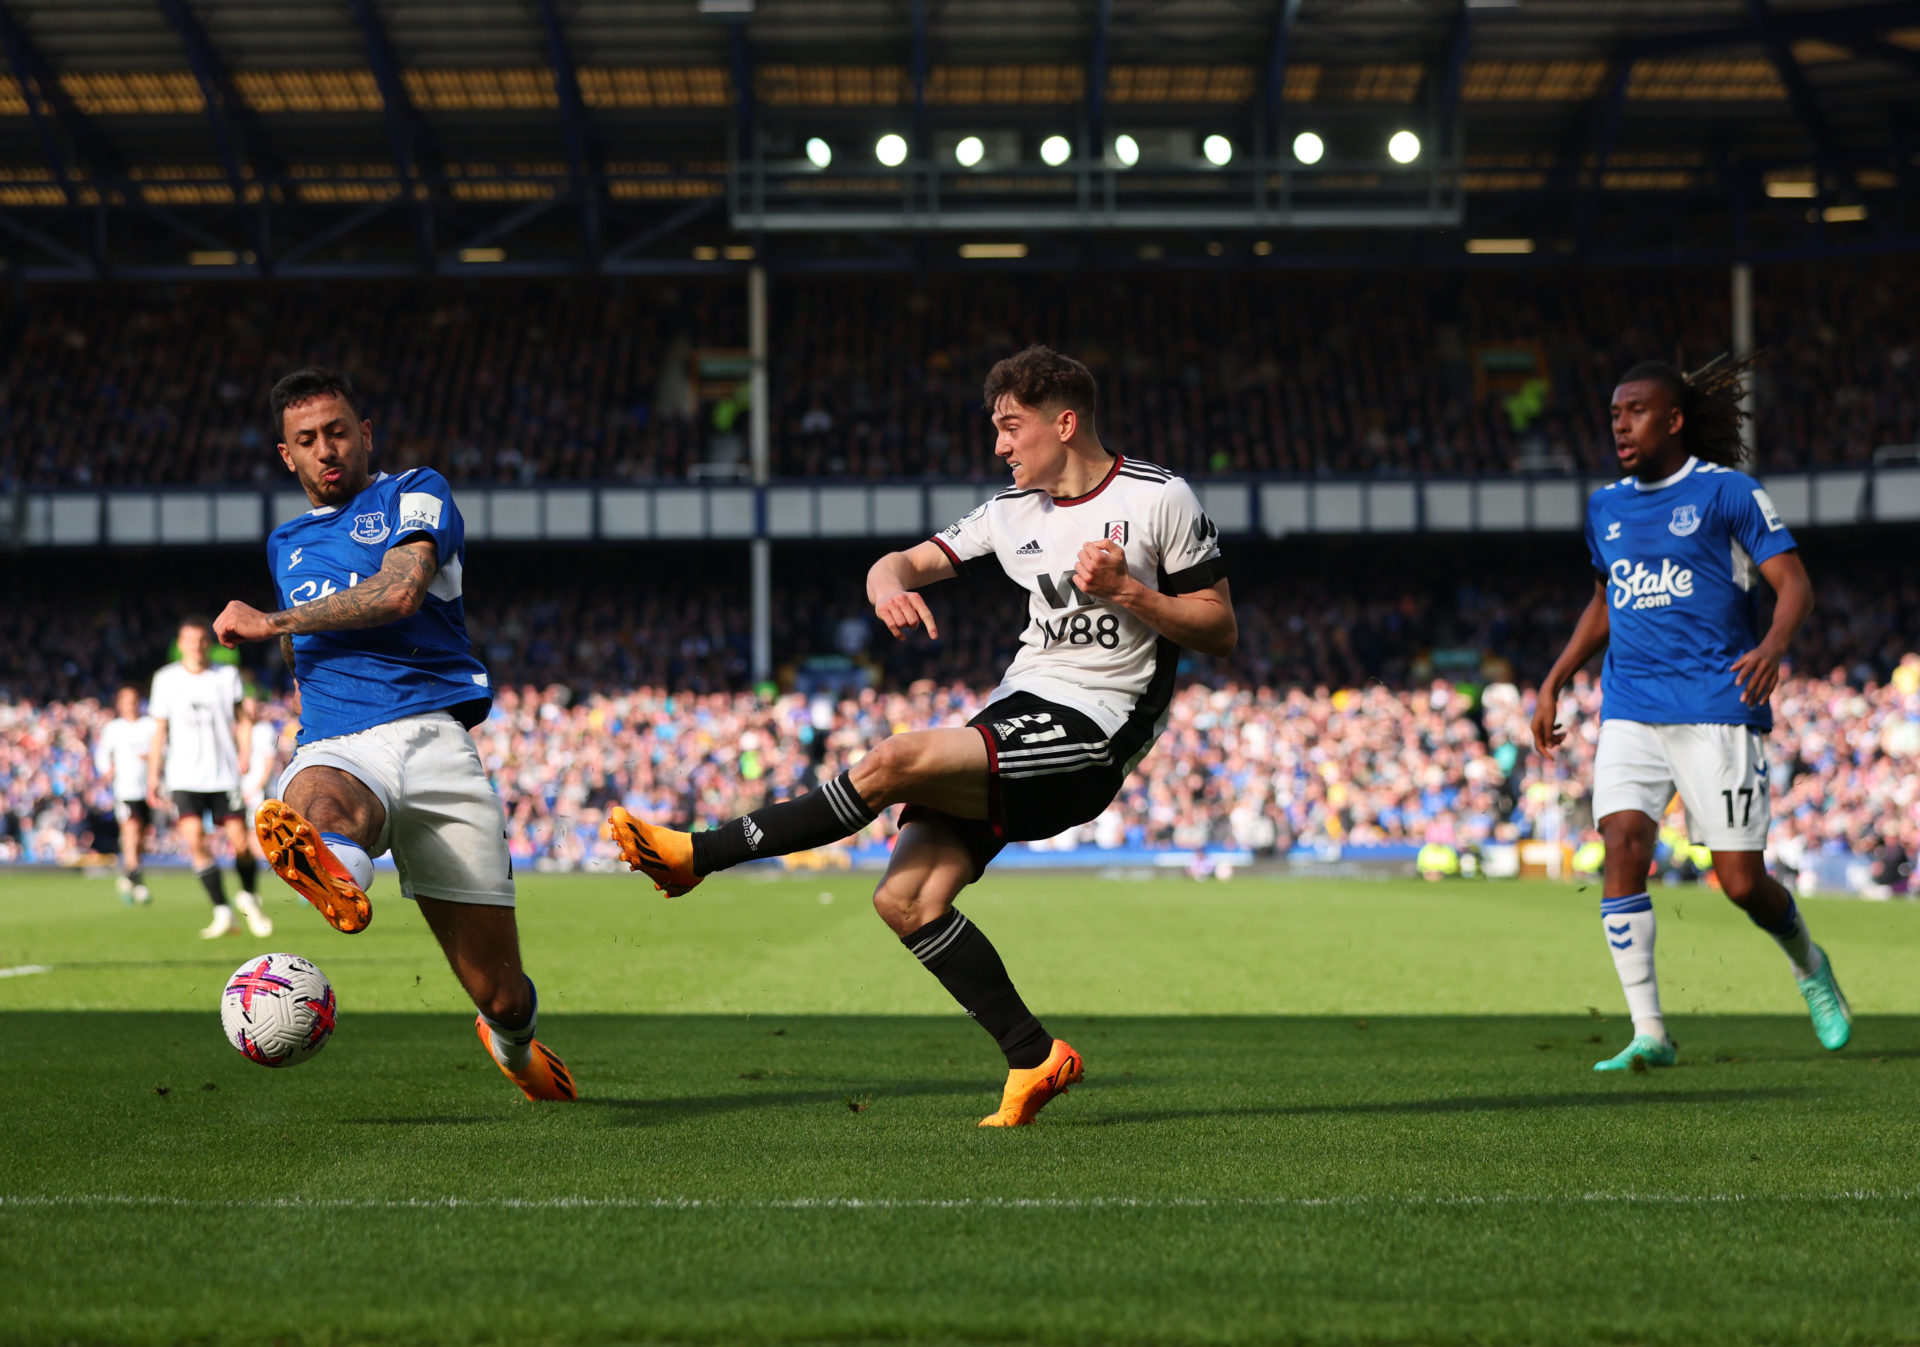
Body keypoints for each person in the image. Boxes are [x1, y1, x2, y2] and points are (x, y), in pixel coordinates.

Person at [605, 345, 1235, 1125]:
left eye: (1011, 427)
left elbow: (1219, 627)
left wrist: (1129, 590)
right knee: (905, 898)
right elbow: (900, 561)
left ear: (1064, 423)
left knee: (895, 757)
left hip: (1095, 729)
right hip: (1017, 710)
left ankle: (698, 856)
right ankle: (1035, 1055)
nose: (999, 446)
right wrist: (888, 586)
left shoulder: (1159, 497)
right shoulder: (1010, 512)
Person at [211, 367, 573, 1102]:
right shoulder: (286, 544)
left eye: (338, 431)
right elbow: (298, 662)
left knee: (501, 995)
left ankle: (513, 1044)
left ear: (365, 432)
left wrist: (272, 621)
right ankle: (333, 859)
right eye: (306, 440)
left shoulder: (415, 490)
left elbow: (403, 589)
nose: (326, 449)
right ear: (287, 456)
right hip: (340, 740)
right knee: (318, 794)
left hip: (439, 741)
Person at [1531, 356, 1845, 1072]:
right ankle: (1651, 1031)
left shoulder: (1727, 493)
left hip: (1716, 705)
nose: (1621, 423)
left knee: (1740, 881)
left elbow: (1793, 583)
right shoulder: (1605, 506)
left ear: (1674, 419)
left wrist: (1773, 642)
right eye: (1614, 412)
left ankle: (1807, 960)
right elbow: (1607, 598)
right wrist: (1555, 677)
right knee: (1621, 844)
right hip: (1632, 706)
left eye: (1636, 410)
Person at [146, 618, 272, 938]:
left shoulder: (226, 676)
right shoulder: (165, 679)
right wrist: (153, 775)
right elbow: (159, 730)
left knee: (241, 844)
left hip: (223, 773)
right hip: (183, 776)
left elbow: (243, 719)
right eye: (190, 640)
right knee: (194, 842)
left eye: (202, 640)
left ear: (208, 643)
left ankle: (248, 897)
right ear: (180, 643)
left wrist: (244, 751)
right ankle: (222, 910)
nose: (197, 646)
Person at [94, 684, 156, 905]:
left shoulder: (149, 726)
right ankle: (137, 883)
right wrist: (106, 770)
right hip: (125, 789)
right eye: (126, 701)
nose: (130, 705)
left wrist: (152, 759)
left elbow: (162, 750)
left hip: (147, 789)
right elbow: (102, 754)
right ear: (119, 704)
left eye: (133, 700)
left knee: (141, 837)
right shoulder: (114, 728)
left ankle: (128, 876)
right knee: (131, 831)